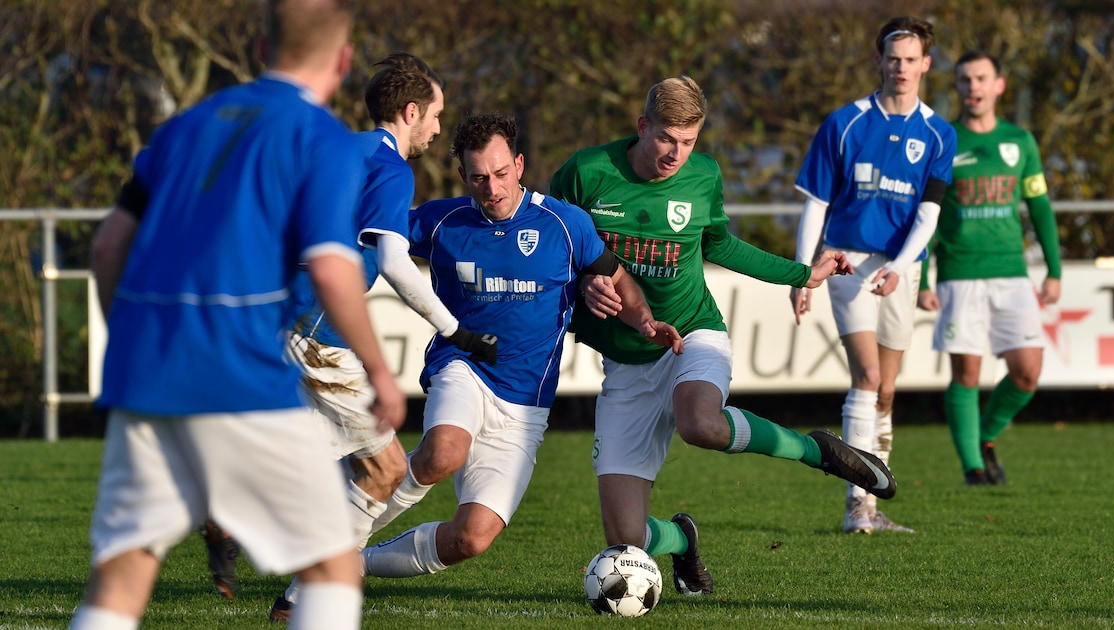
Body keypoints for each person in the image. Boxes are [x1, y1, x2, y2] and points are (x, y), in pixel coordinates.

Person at [70, 0, 404, 628]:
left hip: (147, 378)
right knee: (331, 568)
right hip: (239, 377)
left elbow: (109, 246)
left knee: (120, 582)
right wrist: (382, 375)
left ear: (259, 49)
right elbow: (334, 269)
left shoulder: (184, 127)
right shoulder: (322, 139)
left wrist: (136, 340)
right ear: (343, 59)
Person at [549, 75, 895, 598]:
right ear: (643, 127)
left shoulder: (703, 175)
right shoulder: (586, 172)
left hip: (693, 332)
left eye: (689, 141)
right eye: (666, 138)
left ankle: (815, 450)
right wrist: (583, 284)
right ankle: (681, 539)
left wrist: (805, 274)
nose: (676, 153)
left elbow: (722, 246)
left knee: (700, 424)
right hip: (626, 361)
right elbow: (552, 250)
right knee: (625, 541)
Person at [357, 112, 683, 585]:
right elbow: (373, 236)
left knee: (472, 538)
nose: (492, 188)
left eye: (501, 173)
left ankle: (353, 563)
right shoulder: (442, 221)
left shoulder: (566, 224)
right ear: (463, 177)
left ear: (520, 164)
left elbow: (614, 277)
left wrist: (646, 321)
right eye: (479, 178)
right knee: (441, 453)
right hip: (464, 366)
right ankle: (337, 544)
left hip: (525, 404)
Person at [257, 52, 501, 622]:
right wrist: (454, 329)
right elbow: (392, 258)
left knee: (323, 470)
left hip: (279, 318)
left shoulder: (338, 149)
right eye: (435, 115)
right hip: (316, 336)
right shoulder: (392, 168)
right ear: (410, 111)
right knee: (386, 468)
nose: (439, 129)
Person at [791, 16, 956, 535]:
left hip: (899, 267)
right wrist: (803, 275)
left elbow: (929, 215)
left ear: (925, 64)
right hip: (845, 261)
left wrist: (902, 268)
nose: (901, 68)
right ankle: (856, 506)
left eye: (911, 59)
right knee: (866, 378)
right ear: (879, 61)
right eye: (893, 58)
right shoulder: (845, 123)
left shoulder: (938, 134)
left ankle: (874, 499)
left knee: (886, 390)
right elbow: (815, 205)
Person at [916, 50, 1062, 486]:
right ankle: (973, 470)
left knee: (1027, 373)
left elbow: (1039, 207)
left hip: (1013, 275)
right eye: (964, 80)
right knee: (967, 375)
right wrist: (923, 278)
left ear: (999, 85)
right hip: (960, 275)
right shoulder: (944, 140)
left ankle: (986, 436)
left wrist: (1054, 269)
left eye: (981, 78)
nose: (973, 87)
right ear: (957, 87)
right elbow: (927, 216)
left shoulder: (1020, 142)